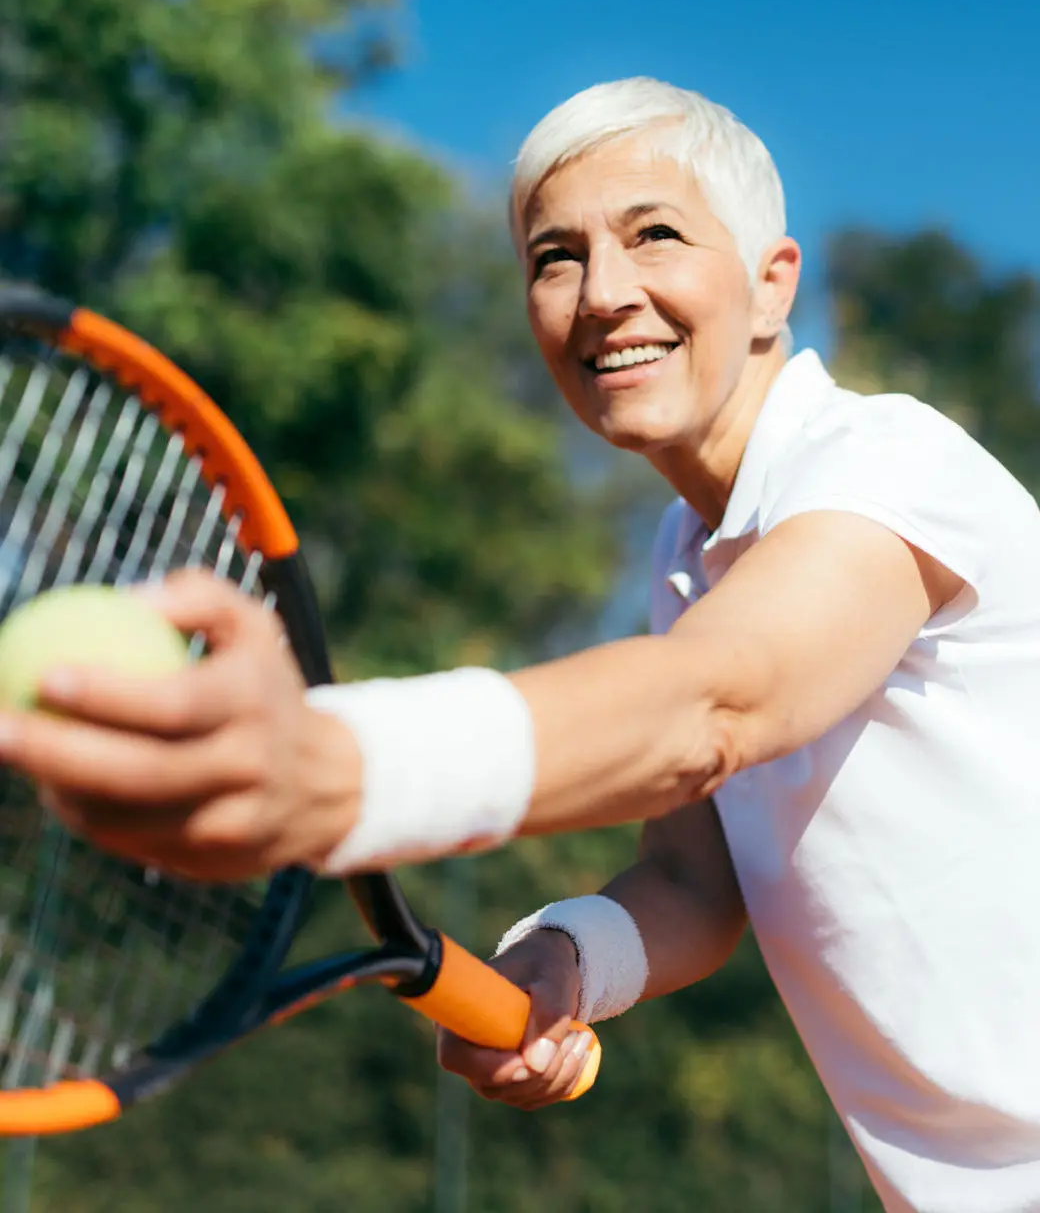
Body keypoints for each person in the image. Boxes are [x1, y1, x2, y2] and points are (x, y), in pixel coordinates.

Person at [3, 77, 1040, 1211]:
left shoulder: (888, 462)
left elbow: (718, 705)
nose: (601, 294)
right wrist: (564, 960)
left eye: (654, 234)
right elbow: (692, 878)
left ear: (767, 284)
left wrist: (336, 764)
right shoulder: (685, 556)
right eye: (555, 257)